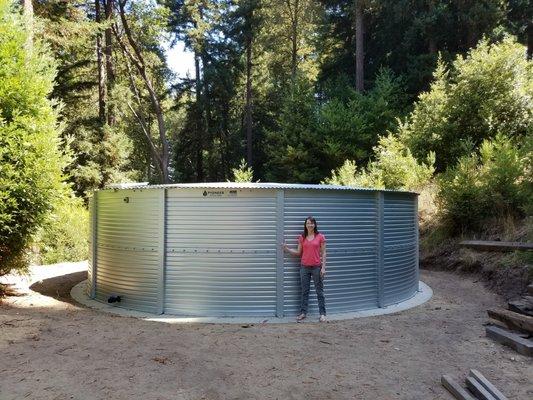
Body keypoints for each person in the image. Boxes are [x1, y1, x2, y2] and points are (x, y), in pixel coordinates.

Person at [283, 216, 327, 322]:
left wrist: (324, 267)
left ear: (315, 225)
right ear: (305, 225)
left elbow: (324, 252)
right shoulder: (302, 237)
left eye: (312, 223)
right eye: (308, 223)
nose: (310, 225)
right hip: (304, 267)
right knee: (304, 291)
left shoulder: (320, 236)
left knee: (319, 291)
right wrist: (287, 249)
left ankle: (322, 314)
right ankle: (303, 313)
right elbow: (298, 252)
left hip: (317, 267)